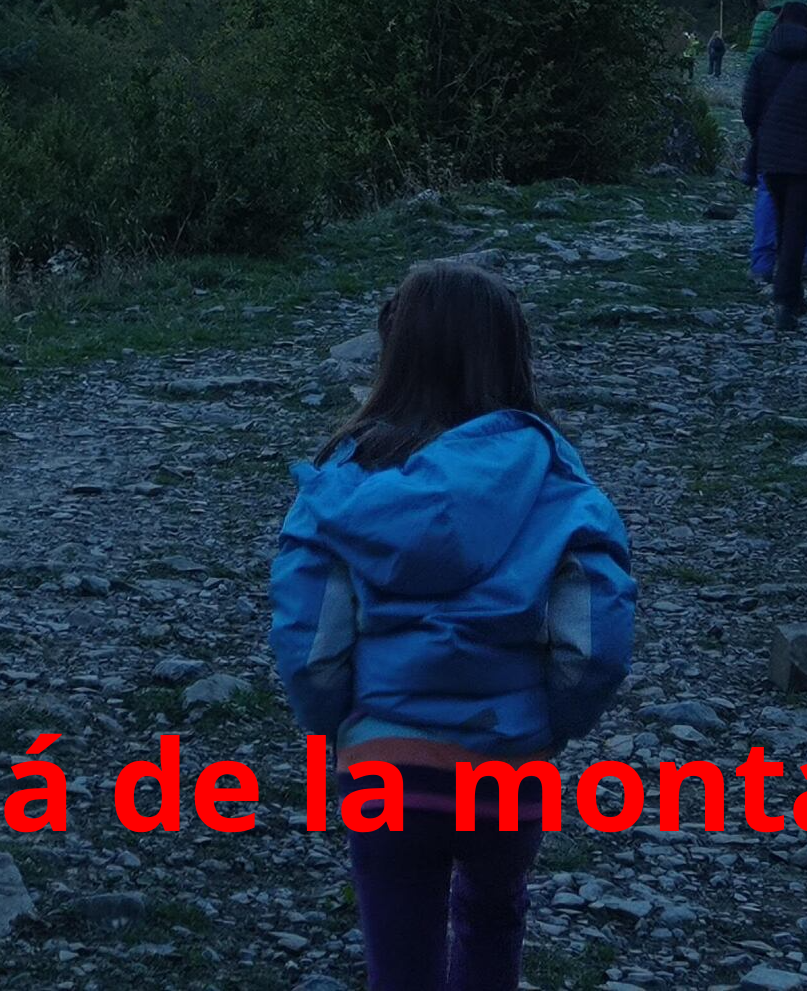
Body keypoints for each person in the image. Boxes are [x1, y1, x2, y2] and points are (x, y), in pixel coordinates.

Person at [270, 261, 634, 991]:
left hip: (387, 762)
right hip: (509, 764)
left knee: (398, 957)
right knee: (493, 922)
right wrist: (548, 724)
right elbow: (594, 644)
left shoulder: (344, 483)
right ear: (511, 354)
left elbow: (311, 644)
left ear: (395, 352)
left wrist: (338, 727)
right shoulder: (561, 481)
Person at [741, 0, 807, 331]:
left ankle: (791, 294)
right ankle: (785, 301)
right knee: (797, 227)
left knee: (785, 219)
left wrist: (766, 133)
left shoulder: (762, 60)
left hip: (771, 156)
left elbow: (749, 109)